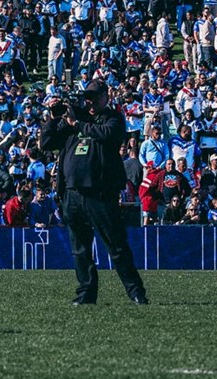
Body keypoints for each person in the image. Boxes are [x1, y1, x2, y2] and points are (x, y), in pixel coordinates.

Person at [40, 82, 148, 305]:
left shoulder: (112, 118)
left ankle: (136, 292)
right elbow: (46, 142)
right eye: (86, 97)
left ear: (105, 97)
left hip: (100, 193)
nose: (88, 101)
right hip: (72, 193)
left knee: (116, 246)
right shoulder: (73, 121)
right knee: (80, 249)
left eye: (93, 96)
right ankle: (86, 294)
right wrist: (52, 118)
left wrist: (77, 123)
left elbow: (108, 135)